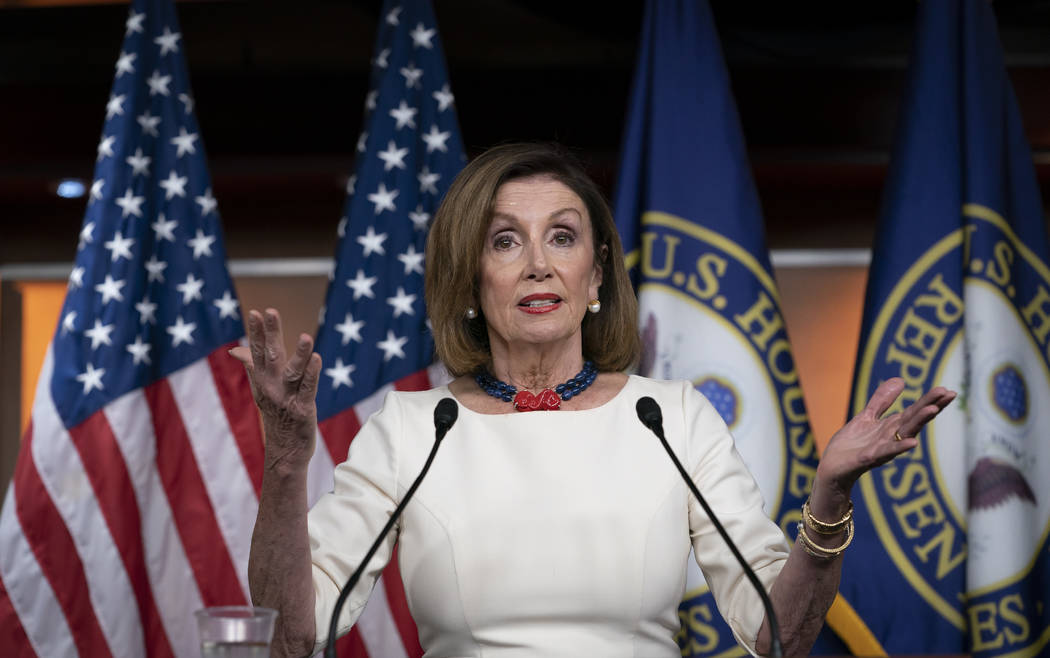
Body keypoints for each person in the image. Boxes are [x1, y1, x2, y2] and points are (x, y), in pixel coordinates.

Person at [235, 143, 955, 657]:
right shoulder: (413, 428)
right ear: (471, 280)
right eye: (505, 241)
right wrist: (286, 463)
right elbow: (293, 637)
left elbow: (780, 635)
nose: (538, 264)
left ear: (596, 273)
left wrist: (829, 497)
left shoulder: (670, 418)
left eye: (562, 237)